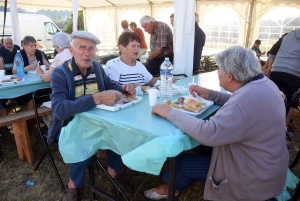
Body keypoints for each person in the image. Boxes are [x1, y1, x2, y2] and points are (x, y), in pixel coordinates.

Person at [145, 46, 288, 200]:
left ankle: (168, 187)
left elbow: (208, 133)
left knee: (182, 163)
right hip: (269, 168)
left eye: (219, 69)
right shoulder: (263, 84)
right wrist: (210, 94)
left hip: (252, 179)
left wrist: (169, 112)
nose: (218, 72)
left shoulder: (243, 102)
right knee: (205, 151)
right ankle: (175, 183)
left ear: (230, 76)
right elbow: (239, 103)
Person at [49, 31, 136, 200]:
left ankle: (114, 171)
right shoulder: (61, 73)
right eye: (82, 47)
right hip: (70, 124)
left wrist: (123, 88)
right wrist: (95, 99)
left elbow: (109, 85)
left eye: (91, 49)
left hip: (99, 121)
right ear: (71, 50)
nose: (87, 53)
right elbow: (59, 109)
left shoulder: (96, 67)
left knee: (115, 130)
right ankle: (74, 184)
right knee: (81, 136)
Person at [268, 30, 300, 128]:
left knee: (270, 98)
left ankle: (265, 125)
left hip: (277, 70)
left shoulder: (287, 35)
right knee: (291, 102)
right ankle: (283, 131)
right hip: (294, 73)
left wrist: (269, 67)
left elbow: (273, 52)